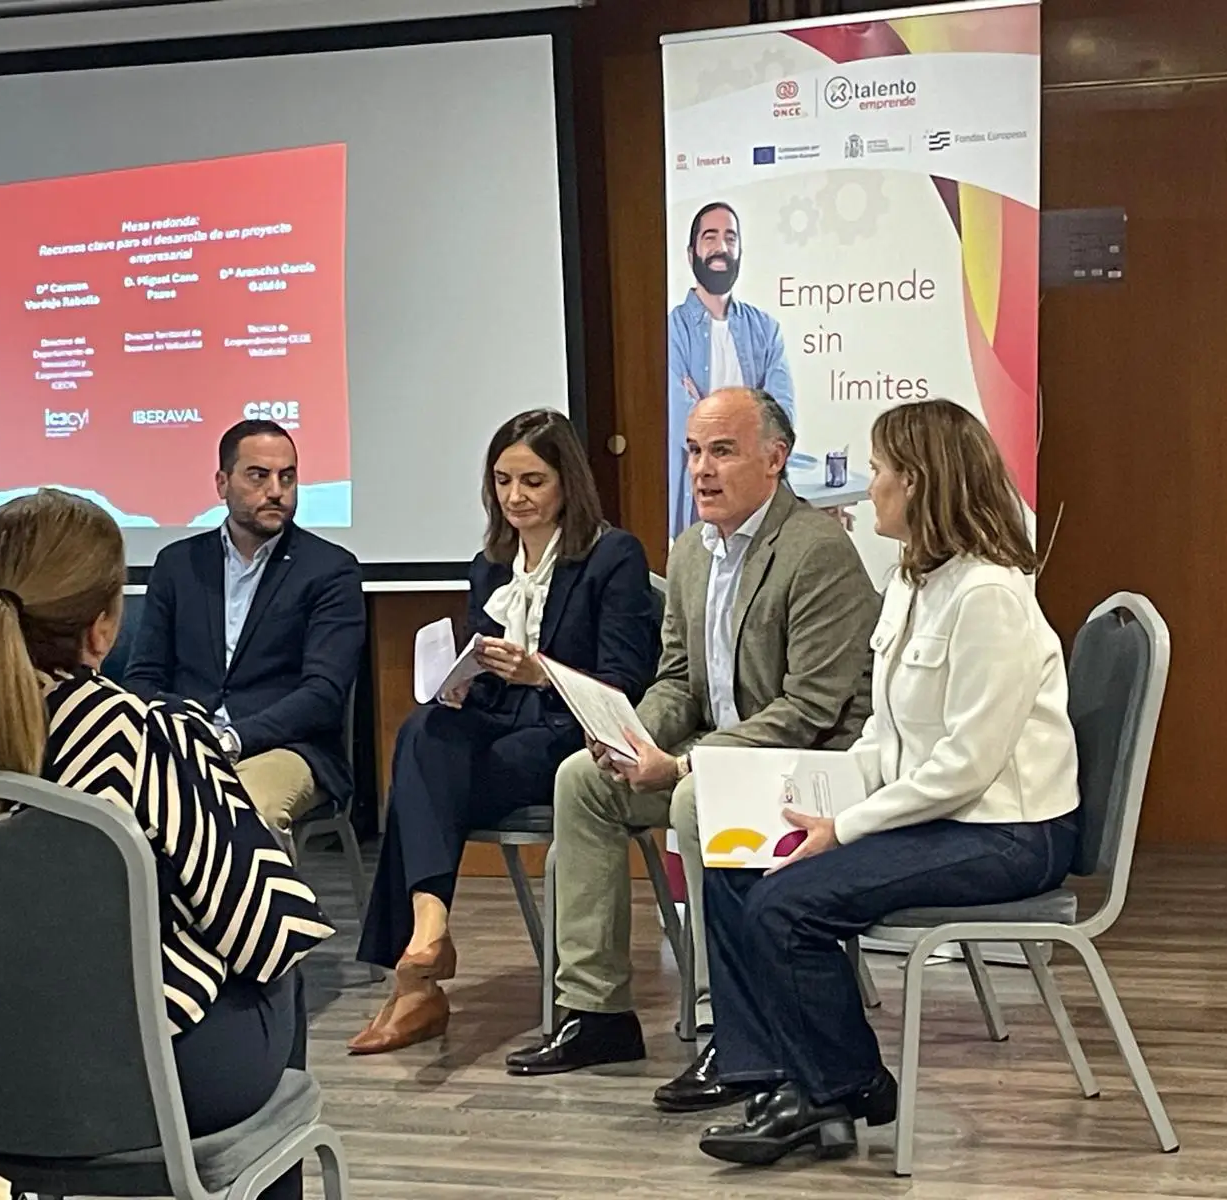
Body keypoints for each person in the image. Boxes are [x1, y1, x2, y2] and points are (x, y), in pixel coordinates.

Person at [0, 489, 335, 1200]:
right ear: (103, 628)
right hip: (144, 1093)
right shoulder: (153, 738)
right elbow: (265, 935)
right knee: (282, 968)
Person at [694, 400, 1080, 1168]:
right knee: (735, 861)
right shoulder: (911, 581)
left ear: (918, 483)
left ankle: (844, 1088)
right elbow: (885, 731)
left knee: (788, 905)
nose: (867, 486)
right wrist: (824, 794)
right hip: (940, 814)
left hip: (1006, 831)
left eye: (877, 471)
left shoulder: (988, 596)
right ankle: (782, 1079)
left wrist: (847, 826)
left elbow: (966, 766)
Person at [505, 387, 878, 1084]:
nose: (702, 470)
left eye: (722, 452)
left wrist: (683, 768)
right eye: (694, 452)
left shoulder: (817, 550)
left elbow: (810, 707)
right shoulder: (691, 552)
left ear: (775, 459)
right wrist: (631, 739)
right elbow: (678, 679)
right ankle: (596, 1013)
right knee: (582, 779)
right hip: (722, 750)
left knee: (695, 799)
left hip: (813, 762)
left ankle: (728, 1027)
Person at [347, 410, 658, 1055]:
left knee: (420, 781)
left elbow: (625, 680)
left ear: (567, 483)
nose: (515, 497)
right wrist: (462, 682)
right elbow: (488, 671)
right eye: (502, 481)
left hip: (571, 733)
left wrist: (540, 673)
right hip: (505, 724)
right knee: (425, 730)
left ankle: (417, 976)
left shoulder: (612, 556)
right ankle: (428, 931)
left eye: (532, 481)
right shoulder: (490, 565)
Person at [125, 419, 365, 832]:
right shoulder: (177, 565)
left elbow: (323, 695)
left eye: (287, 477)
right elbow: (143, 678)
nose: (276, 491)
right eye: (258, 476)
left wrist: (234, 739)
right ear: (222, 483)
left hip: (287, 748)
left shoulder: (329, 570)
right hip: (185, 744)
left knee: (242, 810)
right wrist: (187, 731)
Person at [667, 203, 795, 537]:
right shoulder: (670, 331)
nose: (721, 247)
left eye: (730, 238)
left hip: (757, 501)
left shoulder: (766, 329)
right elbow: (681, 422)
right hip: (696, 504)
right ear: (691, 253)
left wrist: (702, 402)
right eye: (710, 237)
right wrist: (748, 427)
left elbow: (782, 419)